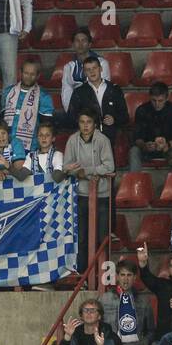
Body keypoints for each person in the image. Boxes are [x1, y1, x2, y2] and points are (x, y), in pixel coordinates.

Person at [57, 109, 114, 277]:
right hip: (80, 195)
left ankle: (103, 277)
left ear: (94, 124)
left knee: (102, 238)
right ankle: (83, 274)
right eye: (82, 122)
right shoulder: (72, 140)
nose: (85, 126)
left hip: (102, 194)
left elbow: (110, 167)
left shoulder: (103, 140)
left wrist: (85, 171)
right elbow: (67, 167)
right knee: (81, 238)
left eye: (89, 122)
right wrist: (80, 172)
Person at [98, 260, 156, 345]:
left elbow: (151, 331)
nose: (126, 279)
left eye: (129, 275)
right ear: (117, 277)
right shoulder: (104, 299)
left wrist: (142, 343)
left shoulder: (143, 302)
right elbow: (98, 325)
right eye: (122, 275)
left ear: (135, 278)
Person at [68, 56, 129, 144]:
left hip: (111, 137)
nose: (92, 71)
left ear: (100, 69)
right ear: (84, 72)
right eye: (88, 69)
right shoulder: (79, 92)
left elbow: (125, 116)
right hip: (87, 138)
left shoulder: (114, 89)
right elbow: (72, 117)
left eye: (94, 68)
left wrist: (114, 119)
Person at [128, 83, 172, 173]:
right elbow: (137, 137)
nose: (157, 104)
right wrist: (144, 146)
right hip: (147, 149)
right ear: (150, 97)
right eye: (154, 100)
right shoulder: (142, 110)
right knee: (134, 151)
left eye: (160, 100)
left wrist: (166, 145)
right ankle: (135, 181)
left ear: (167, 98)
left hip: (167, 148)